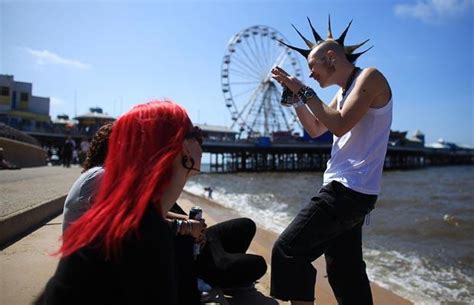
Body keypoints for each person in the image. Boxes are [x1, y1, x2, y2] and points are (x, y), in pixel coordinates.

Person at [59, 121, 266, 304]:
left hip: (162, 247)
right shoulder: (101, 177)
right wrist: (184, 227)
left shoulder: (108, 176)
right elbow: (131, 224)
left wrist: (188, 222)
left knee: (245, 225)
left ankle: (215, 261)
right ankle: (209, 273)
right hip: (136, 258)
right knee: (256, 265)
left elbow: (145, 213)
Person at [270, 17, 392, 305]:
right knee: (344, 273)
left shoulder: (370, 77)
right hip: (351, 192)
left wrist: (305, 91)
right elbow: (316, 129)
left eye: (312, 66)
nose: (310, 74)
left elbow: (339, 125)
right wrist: (297, 100)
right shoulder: (341, 93)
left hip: (348, 191)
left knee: (287, 251)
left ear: (330, 57)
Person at [36, 100, 203, 305]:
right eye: (197, 133)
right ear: (183, 147)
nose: (202, 141)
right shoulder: (142, 234)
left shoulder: (131, 222)